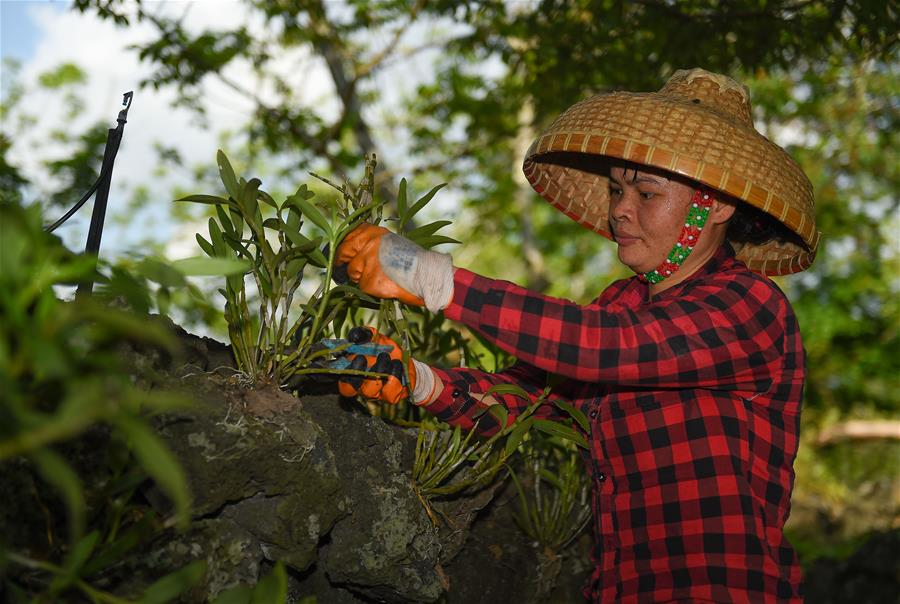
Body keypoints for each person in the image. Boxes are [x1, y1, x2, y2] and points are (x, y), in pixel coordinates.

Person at [334, 68, 819, 603]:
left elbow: (602, 347)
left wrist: (430, 277)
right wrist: (416, 380)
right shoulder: (621, 304)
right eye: (616, 190)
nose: (619, 211)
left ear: (718, 204)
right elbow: (526, 402)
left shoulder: (749, 303)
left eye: (646, 193)